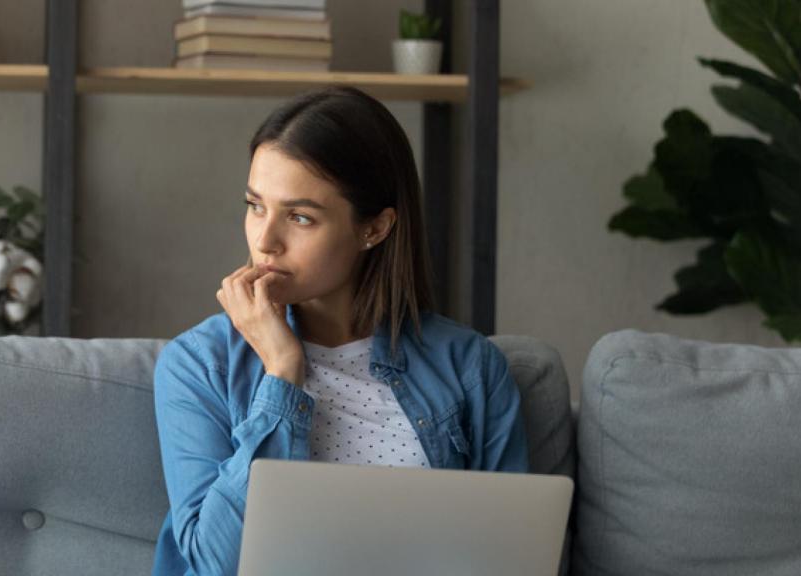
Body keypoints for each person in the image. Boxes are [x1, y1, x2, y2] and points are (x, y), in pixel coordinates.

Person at [151, 85, 529, 576]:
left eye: (300, 217)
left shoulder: (470, 369)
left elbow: (517, 555)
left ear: (375, 228)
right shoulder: (200, 365)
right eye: (255, 206)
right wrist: (282, 374)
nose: (265, 241)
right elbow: (214, 564)